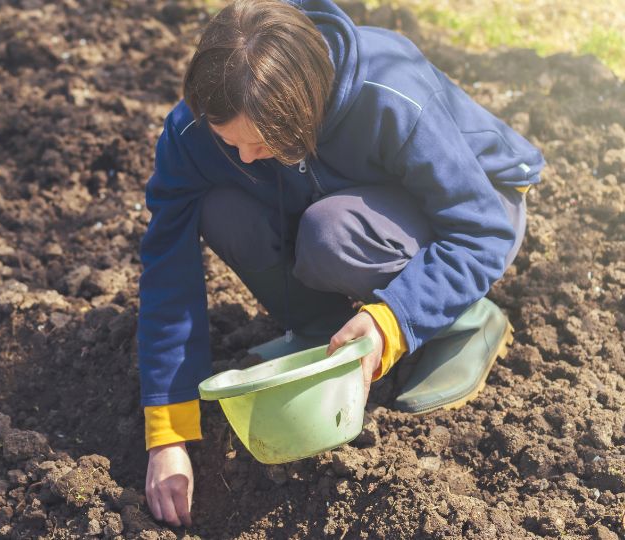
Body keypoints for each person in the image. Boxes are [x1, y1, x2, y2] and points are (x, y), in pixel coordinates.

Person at [136, 0, 543, 527]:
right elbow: (167, 268)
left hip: (474, 205)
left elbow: (479, 227)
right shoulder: (191, 132)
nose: (244, 158)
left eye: (260, 142)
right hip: (341, 201)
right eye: (227, 141)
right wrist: (168, 433)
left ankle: (464, 321)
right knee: (223, 207)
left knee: (330, 234)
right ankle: (319, 329)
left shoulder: (390, 91)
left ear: (303, 109)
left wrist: (392, 321)